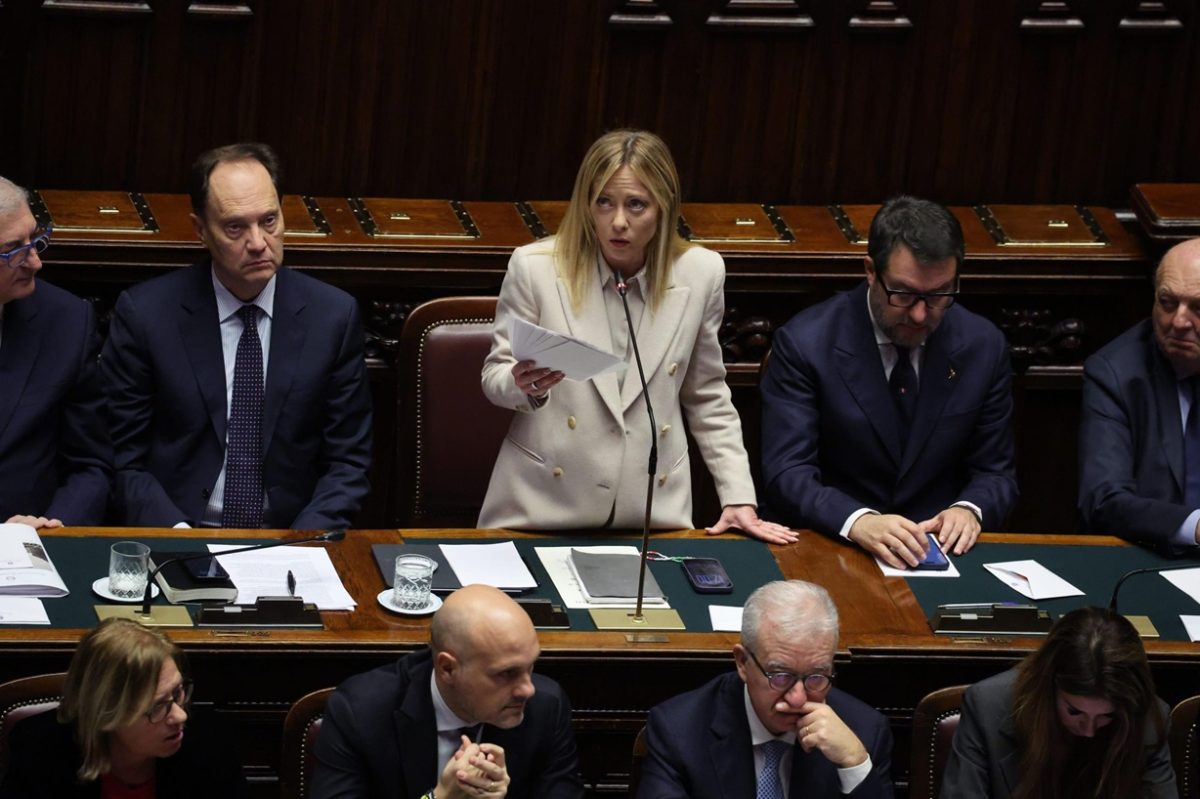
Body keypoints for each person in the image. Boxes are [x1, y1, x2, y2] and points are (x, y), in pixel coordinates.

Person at [477, 129, 793, 543]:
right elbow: (494, 377)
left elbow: (707, 394)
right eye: (604, 202)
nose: (618, 221)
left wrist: (737, 496)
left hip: (649, 513)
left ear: (664, 206)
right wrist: (522, 385)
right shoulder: (535, 267)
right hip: (539, 508)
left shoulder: (701, 273)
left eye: (636, 205)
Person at [102, 142, 372, 530]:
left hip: (289, 536)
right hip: (178, 532)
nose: (258, 242)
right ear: (200, 230)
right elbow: (122, 458)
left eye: (269, 220)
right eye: (235, 227)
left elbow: (348, 463)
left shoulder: (332, 317)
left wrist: (299, 544)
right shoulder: (147, 315)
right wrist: (178, 536)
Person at [760, 195, 1016, 568]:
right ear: (870, 271)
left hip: (939, 550)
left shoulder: (983, 345)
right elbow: (787, 472)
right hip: (833, 545)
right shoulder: (807, 343)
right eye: (904, 294)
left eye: (939, 295)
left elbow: (995, 472)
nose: (920, 314)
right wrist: (857, 521)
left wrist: (969, 509)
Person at [311, 584, 583, 799]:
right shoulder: (360, 713)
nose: (527, 689)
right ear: (448, 668)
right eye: (506, 673)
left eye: (530, 666)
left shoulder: (547, 707)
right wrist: (438, 797)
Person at [638, 580, 894, 798]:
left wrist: (855, 764)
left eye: (816, 677)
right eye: (780, 676)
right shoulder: (679, 732)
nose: (798, 698)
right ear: (742, 662)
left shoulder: (865, 733)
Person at [941, 607, 1175, 798]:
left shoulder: (1148, 720)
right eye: (1074, 711)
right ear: (1048, 686)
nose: (1089, 730)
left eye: (1107, 716)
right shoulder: (987, 707)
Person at [0, 617, 247, 798]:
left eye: (178, 693)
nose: (180, 715)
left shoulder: (211, 742)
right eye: (157, 707)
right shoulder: (41, 751)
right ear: (107, 712)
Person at [0, 175, 111, 529]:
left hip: (31, 547)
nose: (35, 262)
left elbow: (91, 464)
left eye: (34, 239)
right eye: (14, 251)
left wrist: (55, 525)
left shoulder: (66, 323)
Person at [1079, 237, 1200, 553]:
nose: (1179, 322)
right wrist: (1195, 526)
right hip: (1155, 557)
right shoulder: (1117, 373)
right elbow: (1104, 500)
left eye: (1198, 308)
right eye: (1167, 302)